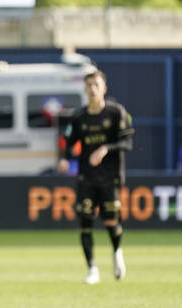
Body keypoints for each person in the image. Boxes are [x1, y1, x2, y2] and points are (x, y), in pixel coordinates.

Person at [58, 70, 134, 284]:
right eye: (89, 85)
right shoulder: (79, 116)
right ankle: (92, 269)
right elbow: (69, 142)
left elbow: (127, 143)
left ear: (104, 88)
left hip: (110, 177)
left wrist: (105, 149)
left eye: (96, 85)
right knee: (85, 221)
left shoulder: (116, 112)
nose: (92, 89)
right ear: (84, 89)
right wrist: (65, 158)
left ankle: (117, 252)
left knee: (111, 222)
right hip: (86, 177)